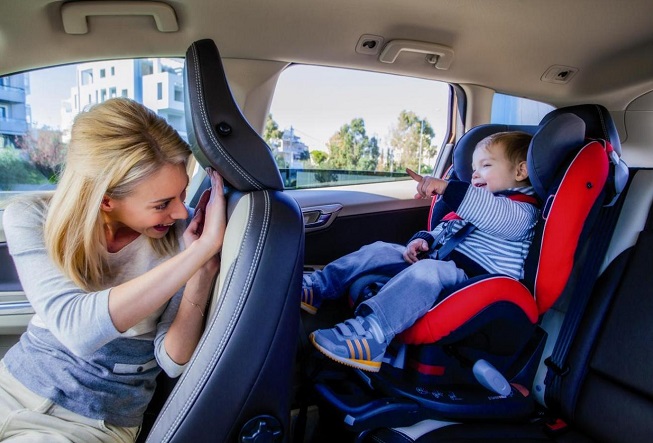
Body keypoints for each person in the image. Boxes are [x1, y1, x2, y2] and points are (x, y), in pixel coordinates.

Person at [0, 98, 226, 442]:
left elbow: (173, 361)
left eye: (182, 193)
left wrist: (200, 269)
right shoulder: (29, 217)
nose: (182, 212)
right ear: (106, 199)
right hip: (12, 386)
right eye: (163, 204)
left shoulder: (186, 239)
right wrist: (195, 256)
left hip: (93, 420)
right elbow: (75, 327)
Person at [302, 131, 540, 372]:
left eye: (486, 165)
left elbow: (490, 213)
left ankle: (372, 334)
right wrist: (424, 239)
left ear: (520, 171)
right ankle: (318, 286)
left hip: (473, 280)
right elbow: (448, 228)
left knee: (429, 271)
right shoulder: (475, 206)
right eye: (473, 168)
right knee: (381, 249)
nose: (475, 174)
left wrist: (448, 189)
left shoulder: (522, 213)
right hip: (440, 261)